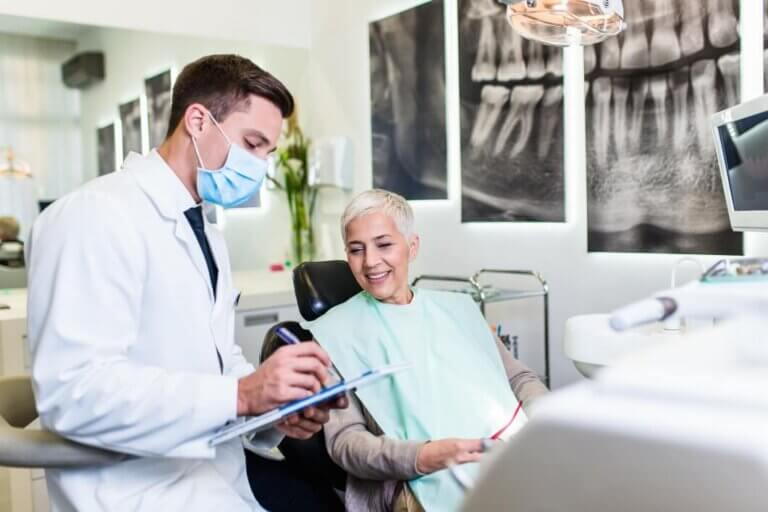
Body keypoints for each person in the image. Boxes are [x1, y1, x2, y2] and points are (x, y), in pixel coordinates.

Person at [26, 54, 345, 511]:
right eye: (251, 144)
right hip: (133, 487)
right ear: (198, 120)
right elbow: (74, 394)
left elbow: (216, 363)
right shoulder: (94, 215)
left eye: (266, 153)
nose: (259, 166)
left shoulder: (206, 234)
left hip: (211, 471)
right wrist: (241, 394)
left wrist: (276, 409)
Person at [306, 189, 549, 512]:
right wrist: (423, 457)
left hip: (499, 456)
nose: (370, 262)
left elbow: (518, 379)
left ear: (412, 246)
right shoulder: (332, 335)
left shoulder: (457, 309)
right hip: (410, 482)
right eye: (356, 249)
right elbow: (346, 443)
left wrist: (548, 418)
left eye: (384, 244)